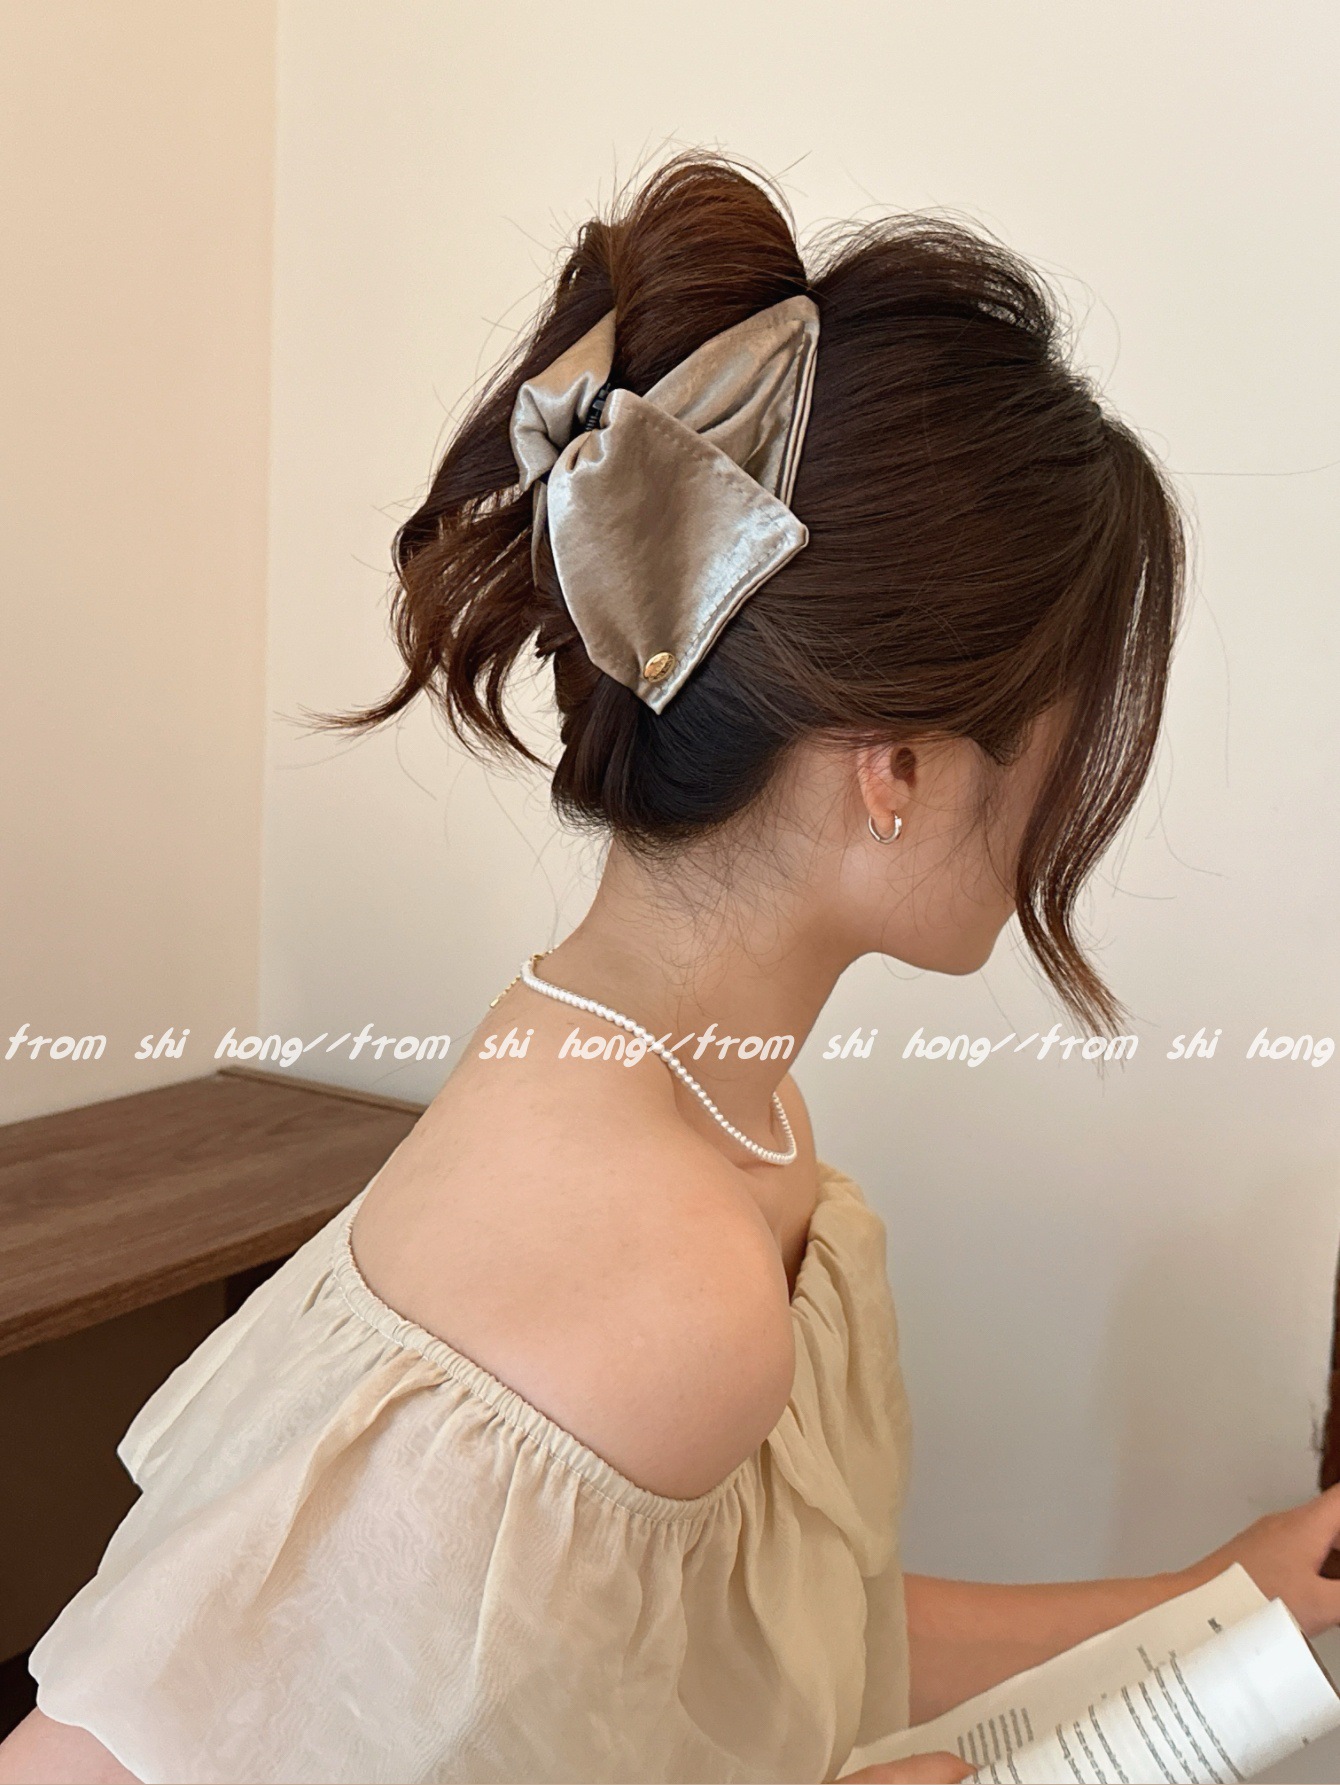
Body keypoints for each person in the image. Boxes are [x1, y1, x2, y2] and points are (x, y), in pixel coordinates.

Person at [5, 151, 1339, 1785]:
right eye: (1071, 718)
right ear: (900, 766)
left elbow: (765, 1646)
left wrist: (1227, 1590)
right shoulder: (664, 1280)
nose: (1078, 792)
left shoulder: (710, 1108)